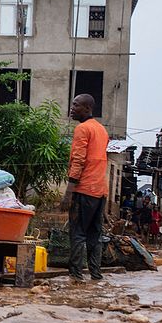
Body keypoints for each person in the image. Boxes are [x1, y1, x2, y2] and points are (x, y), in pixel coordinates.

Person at [60, 94, 109, 282]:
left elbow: (79, 160)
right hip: (100, 191)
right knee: (95, 235)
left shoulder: (82, 129)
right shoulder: (101, 130)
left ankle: (75, 276)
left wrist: (68, 194)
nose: (72, 108)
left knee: (78, 234)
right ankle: (96, 275)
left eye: (76, 105)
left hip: (83, 189)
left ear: (87, 108)